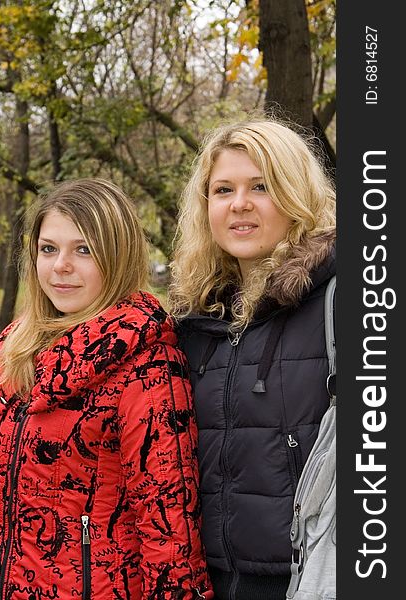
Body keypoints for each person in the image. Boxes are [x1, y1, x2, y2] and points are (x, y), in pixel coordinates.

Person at [0, 178, 213, 600]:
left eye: (83, 249)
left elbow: (169, 533)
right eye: (48, 248)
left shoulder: (146, 365)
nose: (60, 265)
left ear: (117, 256)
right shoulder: (22, 355)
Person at [169, 118, 336, 600]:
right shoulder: (194, 322)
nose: (239, 204)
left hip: (308, 581)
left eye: (260, 186)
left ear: (294, 193)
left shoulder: (339, 302)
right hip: (207, 581)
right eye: (223, 189)